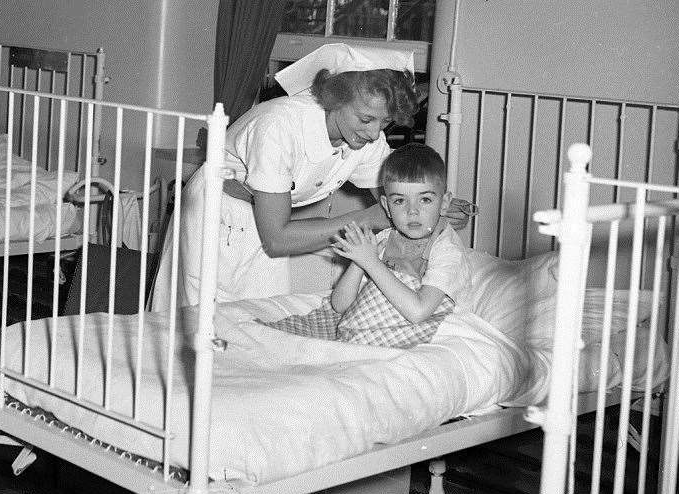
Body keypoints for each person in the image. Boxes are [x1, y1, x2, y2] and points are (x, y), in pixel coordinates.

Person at [150, 43, 472, 309]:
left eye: (384, 123)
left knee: (263, 315)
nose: (375, 134)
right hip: (218, 212)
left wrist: (437, 207)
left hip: (266, 219)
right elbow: (277, 239)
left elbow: (401, 195)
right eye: (366, 119)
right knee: (197, 320)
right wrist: (368, 219)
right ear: (335, 99)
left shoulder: (363, 138)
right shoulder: (278, 127)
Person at [263, 143, 472, 348]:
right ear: (386, 207)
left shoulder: (446, 249)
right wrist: (359, 262)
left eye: (425, 199)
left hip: (421, 336)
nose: (412, 211)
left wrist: (371, 262)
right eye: (400, 201)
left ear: (444, 203)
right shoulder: (386, 238)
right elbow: (341, 305)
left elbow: (418, 312)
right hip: (371, 332)